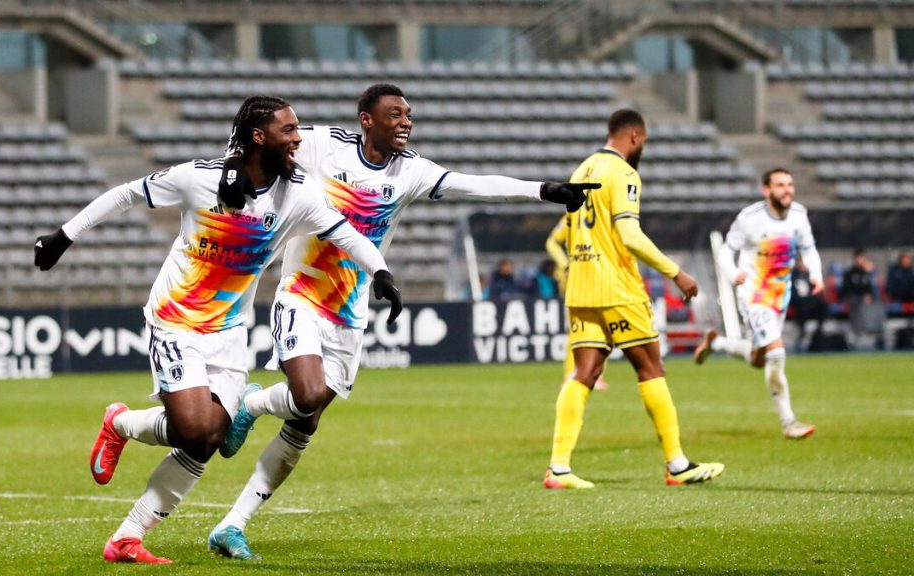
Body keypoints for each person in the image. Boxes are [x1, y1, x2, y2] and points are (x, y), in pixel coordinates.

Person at [116, 84, 597, 560]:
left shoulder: (411, 172)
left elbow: (472, 182)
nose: (406, 121)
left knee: (307, 421)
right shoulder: (323, 145)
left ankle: (232, 524)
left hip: (350, 313)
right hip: (302, 294)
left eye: (409, 113)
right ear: (367, 119)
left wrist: (543, 191)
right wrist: (228, 175)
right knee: (305, 395)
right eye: (395, 113)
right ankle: (252, 405)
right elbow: (252, 141)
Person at [33, 95, 402, 564]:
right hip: (176, 322)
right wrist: (64, 236)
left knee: (209, 440)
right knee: (193, 430)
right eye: (288, 131)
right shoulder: (200, 179)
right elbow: (126, 193)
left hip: (229, 334)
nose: (297, 139)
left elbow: (344, 233)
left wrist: (381, 272)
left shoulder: (299, 194)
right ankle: (120, 423)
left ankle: (126, 536)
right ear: (258, 137)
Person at [544, 108, 724, 490]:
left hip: (581, 287)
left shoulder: (582, 169)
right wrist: (676, 272)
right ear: (636, 137)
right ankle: (677, 465)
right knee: (650, 368)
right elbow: (629, 235)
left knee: (584, 373)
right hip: (617, 288)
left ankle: (559, 468)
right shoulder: (624, 173)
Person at [693, 167, 823, 440]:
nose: (787, 190)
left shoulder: (799, 215)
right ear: (767, 190)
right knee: (776, 352)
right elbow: (727, 252)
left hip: (779, 296)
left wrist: (816, 275)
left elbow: (809, 248)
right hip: (753, 295)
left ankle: (716, 343)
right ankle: (789, 422)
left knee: (758, 358)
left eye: (790, 184)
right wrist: (733, 274)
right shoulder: (749, 218)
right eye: (780, 185)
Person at [546, 215, 609, 392]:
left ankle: (595, 375)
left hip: (598, 276)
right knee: (577, 328)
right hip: (576, 277)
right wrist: (565, 265)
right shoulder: (573, 213)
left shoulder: (603, 213)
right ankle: (571, 374)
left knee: (603, 329)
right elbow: (551, 242)